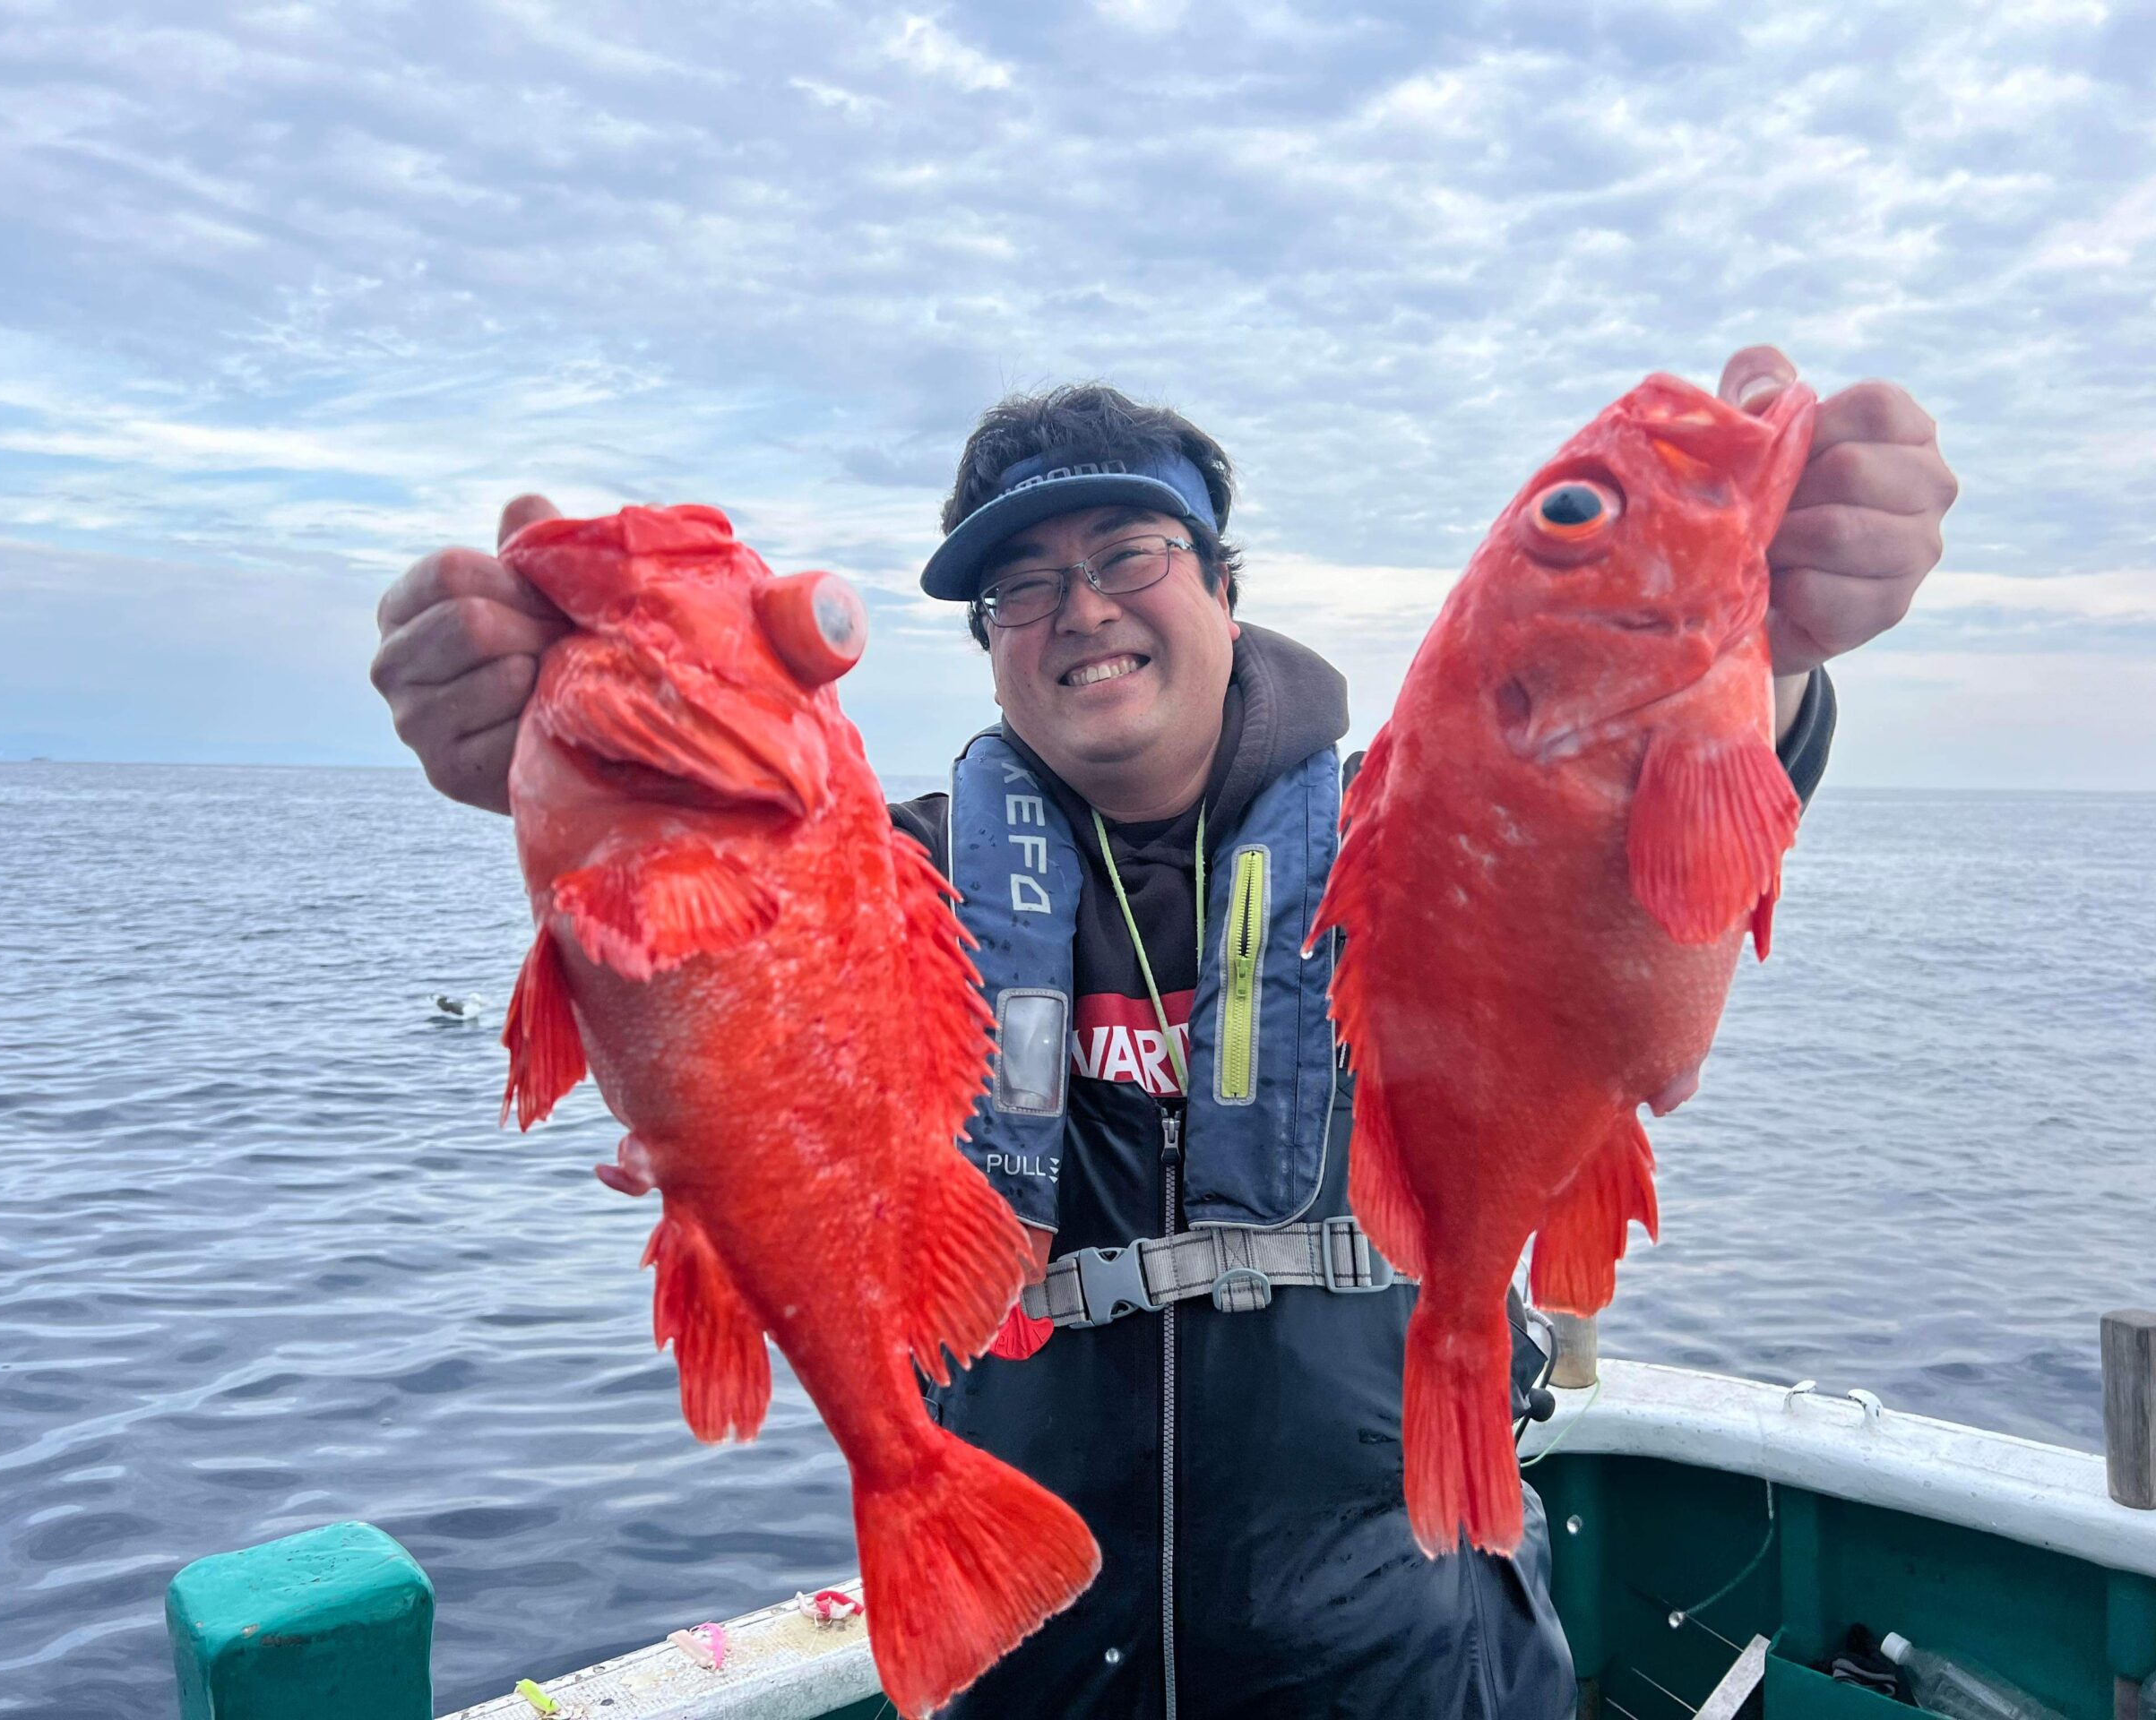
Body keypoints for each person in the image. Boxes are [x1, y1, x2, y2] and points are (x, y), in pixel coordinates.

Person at [370, 346, 1957, 1718]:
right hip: (1046, 1667)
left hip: (1408, 1666)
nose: (1079, 613)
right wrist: (575, 768)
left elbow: (1609, 844)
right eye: (1020, 587)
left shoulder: (1419, 829)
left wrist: (1776, 656)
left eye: (1127, 553)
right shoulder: (890, 880)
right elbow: (729, 962)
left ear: (1219, 583)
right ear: (989, 640)